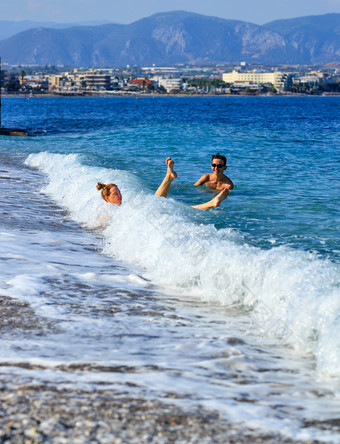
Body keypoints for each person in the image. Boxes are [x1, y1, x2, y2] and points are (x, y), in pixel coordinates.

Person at [97, 157, 230, 211]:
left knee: (161, 203)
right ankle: (210, 203)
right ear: (107, 198)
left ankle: (168, 177)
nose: (119, 195)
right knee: (179, 209)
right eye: (115, 194)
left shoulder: (119, 208)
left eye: (119, 192)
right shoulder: (107, 210)